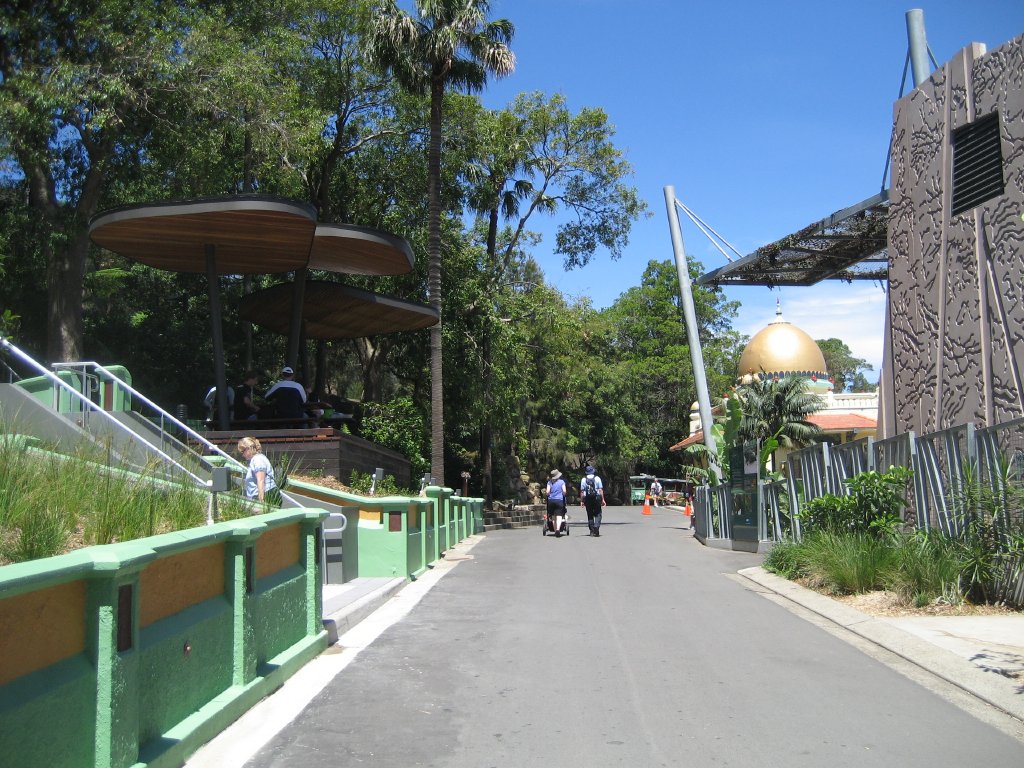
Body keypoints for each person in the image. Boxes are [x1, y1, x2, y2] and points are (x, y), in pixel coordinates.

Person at [237, 436, 278, 504]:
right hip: (261, 495)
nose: (242, 455)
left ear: (248, 449)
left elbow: (261, 480)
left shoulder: (257, 459)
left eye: (242, 451)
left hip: (265, 495)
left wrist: (261, 500)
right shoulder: (256, 459)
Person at [580, 465, 606, 536]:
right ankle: (596, 527)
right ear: (593, 471)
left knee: (590, 514)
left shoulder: (583, 479)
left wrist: (582, 501)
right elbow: (600, 490)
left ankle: (591, 531)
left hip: (588, 498)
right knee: (598, 513)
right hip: (597, 498)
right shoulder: (597, 478)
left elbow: (582, 491)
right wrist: (603, 499)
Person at [545, 469, 568, 535]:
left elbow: (547, 492)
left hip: (551, 500)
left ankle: (555, 531)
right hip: (559, 500)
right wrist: (563, 494)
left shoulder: (549, 482)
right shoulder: (562, 482)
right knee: (559, 515)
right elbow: (564, 491)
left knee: (553, 516)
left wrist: (549, 494)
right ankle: (558, 529)